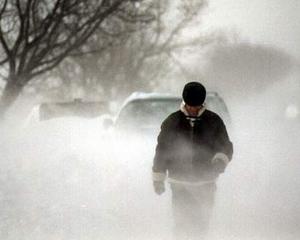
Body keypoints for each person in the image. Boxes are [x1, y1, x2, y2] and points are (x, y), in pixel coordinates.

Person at [152, 82, 233, 240]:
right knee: (181, 223)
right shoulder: (172, 122)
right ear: (185, 103)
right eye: (190, 106)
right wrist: (158, 179)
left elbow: (225, 147)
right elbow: (162, 151)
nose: (193, 110)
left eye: (196, 106)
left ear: (202, 104)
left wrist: (219, 162)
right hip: (179, 183)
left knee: (202, 223)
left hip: (206, 183)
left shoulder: (214, 122)